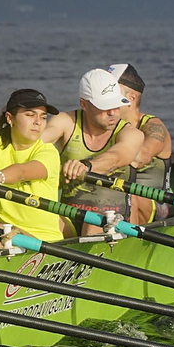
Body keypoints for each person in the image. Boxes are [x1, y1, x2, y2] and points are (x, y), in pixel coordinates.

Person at [42, 68, 144, 235]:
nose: (112, 113)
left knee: (93, 224)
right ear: (84, 104)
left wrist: (87, 166)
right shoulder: (66, 121)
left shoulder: (131, 133)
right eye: (105, 107)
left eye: (116, 106)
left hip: (114, 220)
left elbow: (117, 156)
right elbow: (36, 142)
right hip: (69, 218)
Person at [0, 89, 64, 243]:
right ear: (10, 118)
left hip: (44, 240)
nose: (38, 122)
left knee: (2, 230)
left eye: (43, 117)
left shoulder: (48, 151)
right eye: (30, 115)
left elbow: (22, 172)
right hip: (3, 235)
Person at [108, 63, 173, 223]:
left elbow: (141, 156)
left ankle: (129, 243)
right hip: (115, 196)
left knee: (129, 197)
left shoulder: (153, 127)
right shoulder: (106, 126)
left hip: (157, 202)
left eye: (112, 90)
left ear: (131, 98)